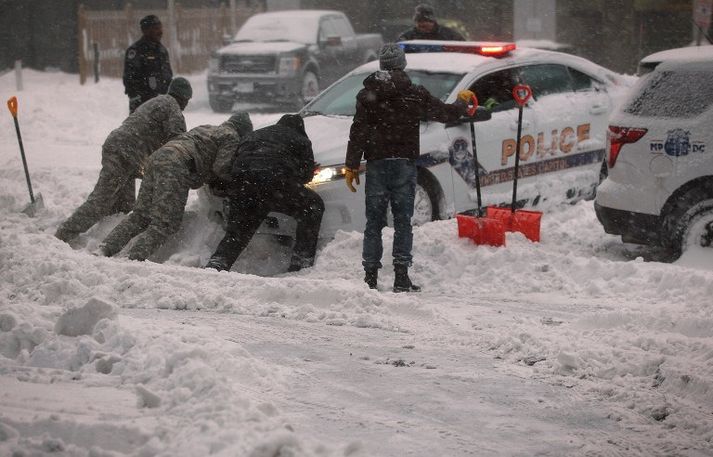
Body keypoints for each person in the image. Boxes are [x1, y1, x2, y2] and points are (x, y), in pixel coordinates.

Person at [344, 43, 473, 292]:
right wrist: (461, 103)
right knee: (403, 221)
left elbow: (358, 130)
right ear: (402, 64)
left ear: (381, 65)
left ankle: (370, 278)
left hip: (377, 164)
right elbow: (445, 114)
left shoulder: (366, 94)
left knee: (373, 222)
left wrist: (351, 164)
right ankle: (401, 277)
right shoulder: (414, 93)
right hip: (403, 163)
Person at [97, 112, 254, 261]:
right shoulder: (231, 136)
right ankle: (132, 258)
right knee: (165, 223)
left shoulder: (206, 127)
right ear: (243, 131)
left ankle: (105, 248)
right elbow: (221, 167)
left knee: (140, 215)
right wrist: (237, 180)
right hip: (177, 166)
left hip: (156, 158)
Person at [55, 77, 192, 243]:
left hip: (123, 151)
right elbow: (177, 143)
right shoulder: (173, 109)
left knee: (124, 206)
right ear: (184, 98)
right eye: (187, 101)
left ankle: (103, 236)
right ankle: (62, 236)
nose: (186, 105)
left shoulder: (157, 101)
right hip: (125, 153)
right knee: (101, 200)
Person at [205, 114, 324, 273]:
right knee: (313, 205)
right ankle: (301, 262)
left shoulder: (252, 136)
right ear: (300, 128)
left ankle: (217, 263)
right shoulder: (300, 139)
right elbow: (306, 176)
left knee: (238, 232)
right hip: (274, 183)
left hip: (242, 185)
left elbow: (235, 163)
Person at [123, 15, 173, 113]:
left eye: (160, 28)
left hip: (161, 103)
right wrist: (136, 99)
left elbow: (167, 75)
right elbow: (130, 78)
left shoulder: (162, 50)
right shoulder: (136, 51)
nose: (160, 32)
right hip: (142, 105)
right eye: (156, 29)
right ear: (146, 31)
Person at [397, 3, 465, 42]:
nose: (421, 24)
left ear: (432, 21)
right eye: (419, 21)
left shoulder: (449, 35)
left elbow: (463, 46)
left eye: (425, 21)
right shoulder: (407, 37)